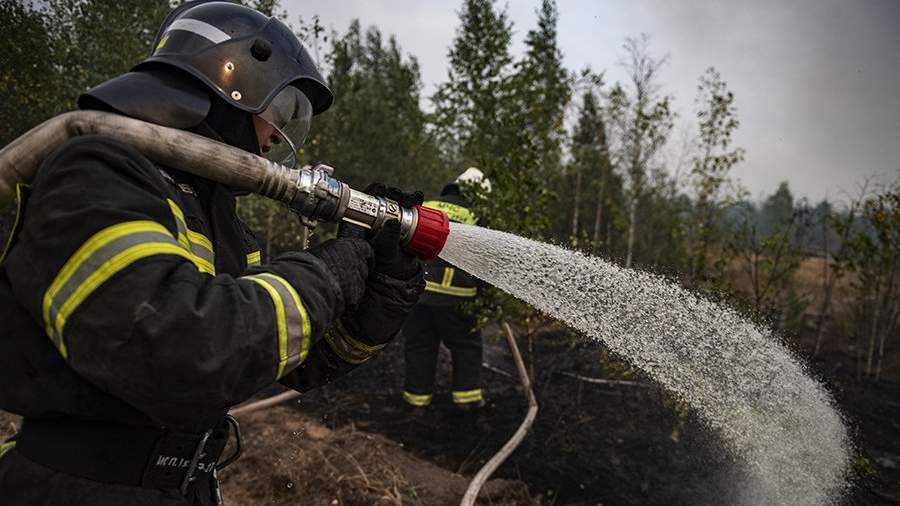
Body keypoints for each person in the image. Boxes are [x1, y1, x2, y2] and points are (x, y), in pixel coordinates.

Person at [0, 2, 424, 505]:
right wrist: (328, 274)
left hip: (181, 485)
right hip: (81, 487)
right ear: (234, 80)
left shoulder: (214, 213)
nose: (276, 138)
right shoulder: (96, 171)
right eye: (281, 112)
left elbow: (288, 356)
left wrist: (381, 289)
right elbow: (183, 350)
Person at [402, 168, 488, 411]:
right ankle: (467, 401)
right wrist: (485, 296)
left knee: (419, 346)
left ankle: (416, 403)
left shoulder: (429, 205)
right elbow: (486, 261)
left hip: (418, 293)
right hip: (456, 298)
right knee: (466, 347)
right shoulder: (476, 215)